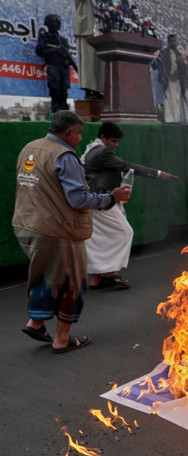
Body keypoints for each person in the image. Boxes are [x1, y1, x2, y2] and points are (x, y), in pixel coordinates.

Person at [13, 111, 131, 353]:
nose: (80, 138)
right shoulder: (65, 157)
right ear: (68, 132)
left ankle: (36, 323)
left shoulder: (30, 148)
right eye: (79, 133)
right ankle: (62, 339)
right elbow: (77, 199)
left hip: (27, 225)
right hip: (57, 229)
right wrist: (111, 197)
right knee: (71, 282)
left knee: (46, 276)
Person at [82, 121, 177, 289]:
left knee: (99, 239)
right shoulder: (103, 152)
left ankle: (96, 279)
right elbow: (127, 166)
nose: (115, 145)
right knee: (124, 232)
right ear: (102, 137)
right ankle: (110, 274)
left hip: (97, 199)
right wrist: (158, 174)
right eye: (113, 141)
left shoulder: (93, 149)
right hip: (103, 200)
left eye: (117, 141)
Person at [36, 14, 76, 113]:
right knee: (55, 91)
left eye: (57, 23)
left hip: (64, 68)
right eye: (53, 23)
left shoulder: (62, 40)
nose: (55, 25)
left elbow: (68, 54)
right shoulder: (44, 37)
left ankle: (64, 111)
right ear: (48, 24)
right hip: (53, 66)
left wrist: (67, 61)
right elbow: (40, 51)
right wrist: (55, 50)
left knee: (64, 91)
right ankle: (56, 112)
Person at [74, 0, 104, 100]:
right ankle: (88, 91)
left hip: (100, 29)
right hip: (86, 28)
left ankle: (97, 91)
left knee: (99, 64)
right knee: (87, 63)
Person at [154, 34, 184, 123]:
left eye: (174, 41)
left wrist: (180, 70)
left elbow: (182, 68)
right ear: (168, 42)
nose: (173, 43)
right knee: (168, 99)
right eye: (171, 41)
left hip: (177, 79)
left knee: (177, 99)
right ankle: (169, 120)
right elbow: (159, 65)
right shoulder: (163, 53)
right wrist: (163, 77)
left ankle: (177, 120)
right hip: (168, 78)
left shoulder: (179, 54)